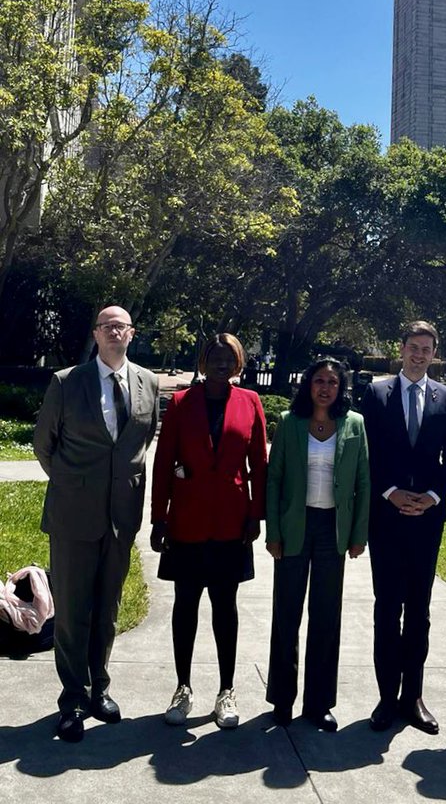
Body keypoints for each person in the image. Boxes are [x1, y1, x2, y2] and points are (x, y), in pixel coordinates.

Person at [33, 305, 160, 742]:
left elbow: (141, 443)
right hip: (74, 517)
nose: (113, 332)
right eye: (106, 326)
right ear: (95, 334)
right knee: (72, 612)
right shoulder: (67, 382)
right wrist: (77, 486)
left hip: (121, 518)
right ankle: (71, 700)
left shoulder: (148, 382)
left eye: (120, 326)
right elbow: (43, 445)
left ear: (131, 334)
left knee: (106, 610)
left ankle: (98, 690)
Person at [150, 333, 267, 729]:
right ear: (203, 362)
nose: (221, 364)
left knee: (225, 608)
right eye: (214, 357)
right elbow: (165, 462)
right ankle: (182, 687)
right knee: (185, 606)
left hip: (232, 524)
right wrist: (158, 518)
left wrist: (256, 515)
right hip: (187, 522)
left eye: (228, 358)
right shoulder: (182, 403)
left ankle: (226, 691)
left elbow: (259, 465)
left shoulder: (250, 402)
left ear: (238, 363)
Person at [359, 321, 446, 735]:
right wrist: (389, 492)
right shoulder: (377, 393)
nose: (419, 354)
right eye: (413, 347)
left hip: (427, 520)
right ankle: (386, 697)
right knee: (387, 607)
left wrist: (433, 496)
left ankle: (413, 697)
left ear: (434, 353)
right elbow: (366, 447)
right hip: (386, 518)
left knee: (419, 610)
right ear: (400, 349)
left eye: (427, 349)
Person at [265, 358, 369, 731]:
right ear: (308, 385)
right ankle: (281, 699)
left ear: (341, 388)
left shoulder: (354, 424)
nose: (325, 388)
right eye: (319, 381)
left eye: (333, 382)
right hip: (295, 527)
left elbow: (363, 482)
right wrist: (273, 532)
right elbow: (273, 479)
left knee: (326, 617)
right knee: (286, 614)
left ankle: (319, 702)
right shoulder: (291, 424)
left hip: (332, 531)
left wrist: (358, 535)